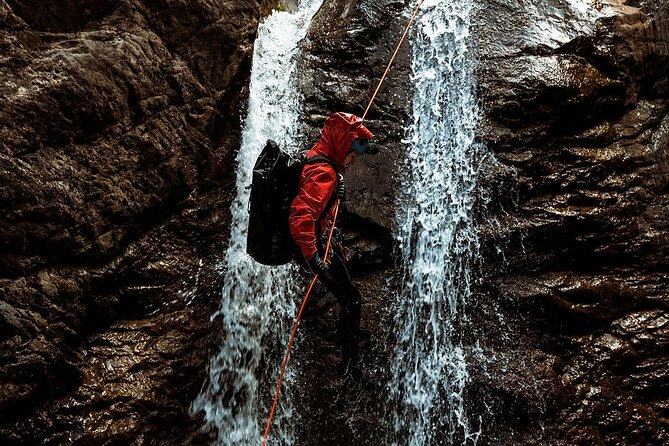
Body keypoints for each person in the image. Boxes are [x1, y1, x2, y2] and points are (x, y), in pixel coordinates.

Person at [289, 112, 374, 375]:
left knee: (346, 291)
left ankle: (348, 359)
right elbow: (300, 214)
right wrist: (313, 257)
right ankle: (350, 363)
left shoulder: (318, 156)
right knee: (351, 298)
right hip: (313, 247)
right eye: (353, 155)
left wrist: (337, 185)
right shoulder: (325, 171)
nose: (352, 161)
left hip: (313, 243)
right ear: (343, 145)